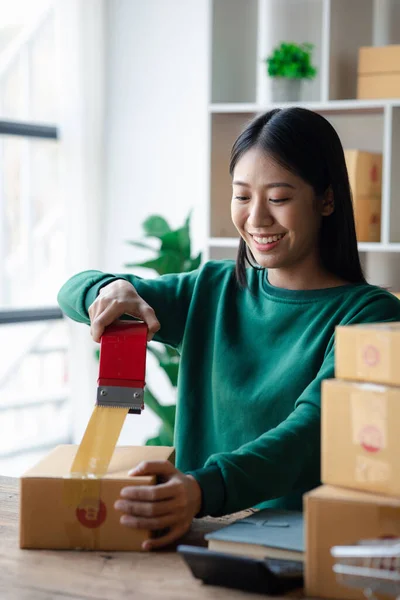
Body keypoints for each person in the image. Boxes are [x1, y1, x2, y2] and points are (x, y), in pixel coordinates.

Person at [57, 107, 400, 551]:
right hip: (192, 536)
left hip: (293, 553)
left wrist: (202, 489)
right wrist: (109, 290)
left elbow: (311, 430)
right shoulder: (212, 288)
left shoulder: (371, 316)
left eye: (278, 198)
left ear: (327, 199)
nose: (256, 218)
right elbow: (72, 293)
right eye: (242, 197)